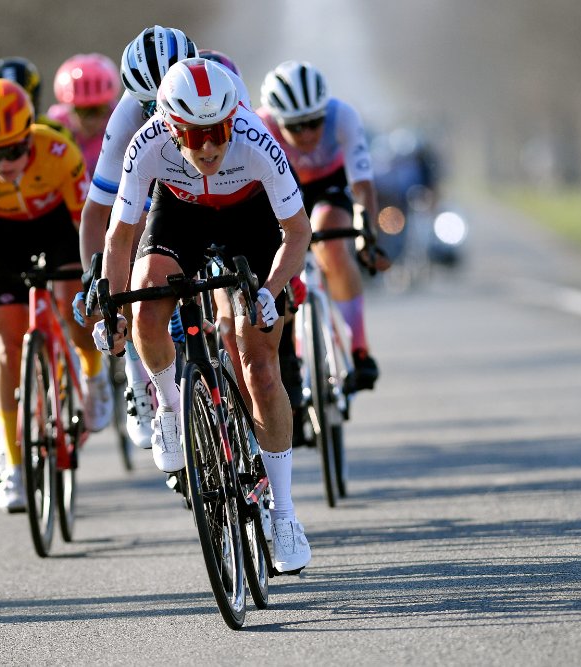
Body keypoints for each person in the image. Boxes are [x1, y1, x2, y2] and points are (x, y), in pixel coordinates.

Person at [95, 58, 313, 574]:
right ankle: (171, 409)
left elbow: (298, 233)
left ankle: (283, 514)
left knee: (259, 365)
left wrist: (271, 289)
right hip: (182, 211)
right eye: (194, 136)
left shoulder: (256, 139)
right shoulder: (146, 144)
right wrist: (109, 303)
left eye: (217, 131)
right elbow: (120, 236)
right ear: (170, 126)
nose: (210, 147)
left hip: (250, 215)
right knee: (148, 303)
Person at [77, 27, 253, 450]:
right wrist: (94, 281)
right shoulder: (128, 121)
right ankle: (141, 382)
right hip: (164, 186)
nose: (162, 112)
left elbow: (262, 173)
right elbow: (97, 212)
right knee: (134, 255)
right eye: (149, 104)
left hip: (223, 185)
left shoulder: (224, 85)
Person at [0, 79, 113, 512]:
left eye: (16, 150)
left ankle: (93, 376)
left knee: (73, 302)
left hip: (57, 223)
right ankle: (13, 463)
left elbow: (86, 222)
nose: (7, 163)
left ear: (30, 136)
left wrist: (97, 276)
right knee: (4, 340)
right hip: (1, 233)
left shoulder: (60, 152)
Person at [257, 61, 384, 394]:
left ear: (324, 112)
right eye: (295, 127)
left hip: (330, 185)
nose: (307, 134)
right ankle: (290, 361)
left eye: (314, 123)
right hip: (284, 190)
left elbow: (362, 185)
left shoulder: (343, 115)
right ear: (275, 120)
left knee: (331, 244)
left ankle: (359, 349)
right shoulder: (258, 126)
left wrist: (366, 233)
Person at [46, 54, 121, 177]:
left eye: (98, 109)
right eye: (82, 110)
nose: (91, 121)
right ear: (69, 108)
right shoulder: (54, 126)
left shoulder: (122, 120)